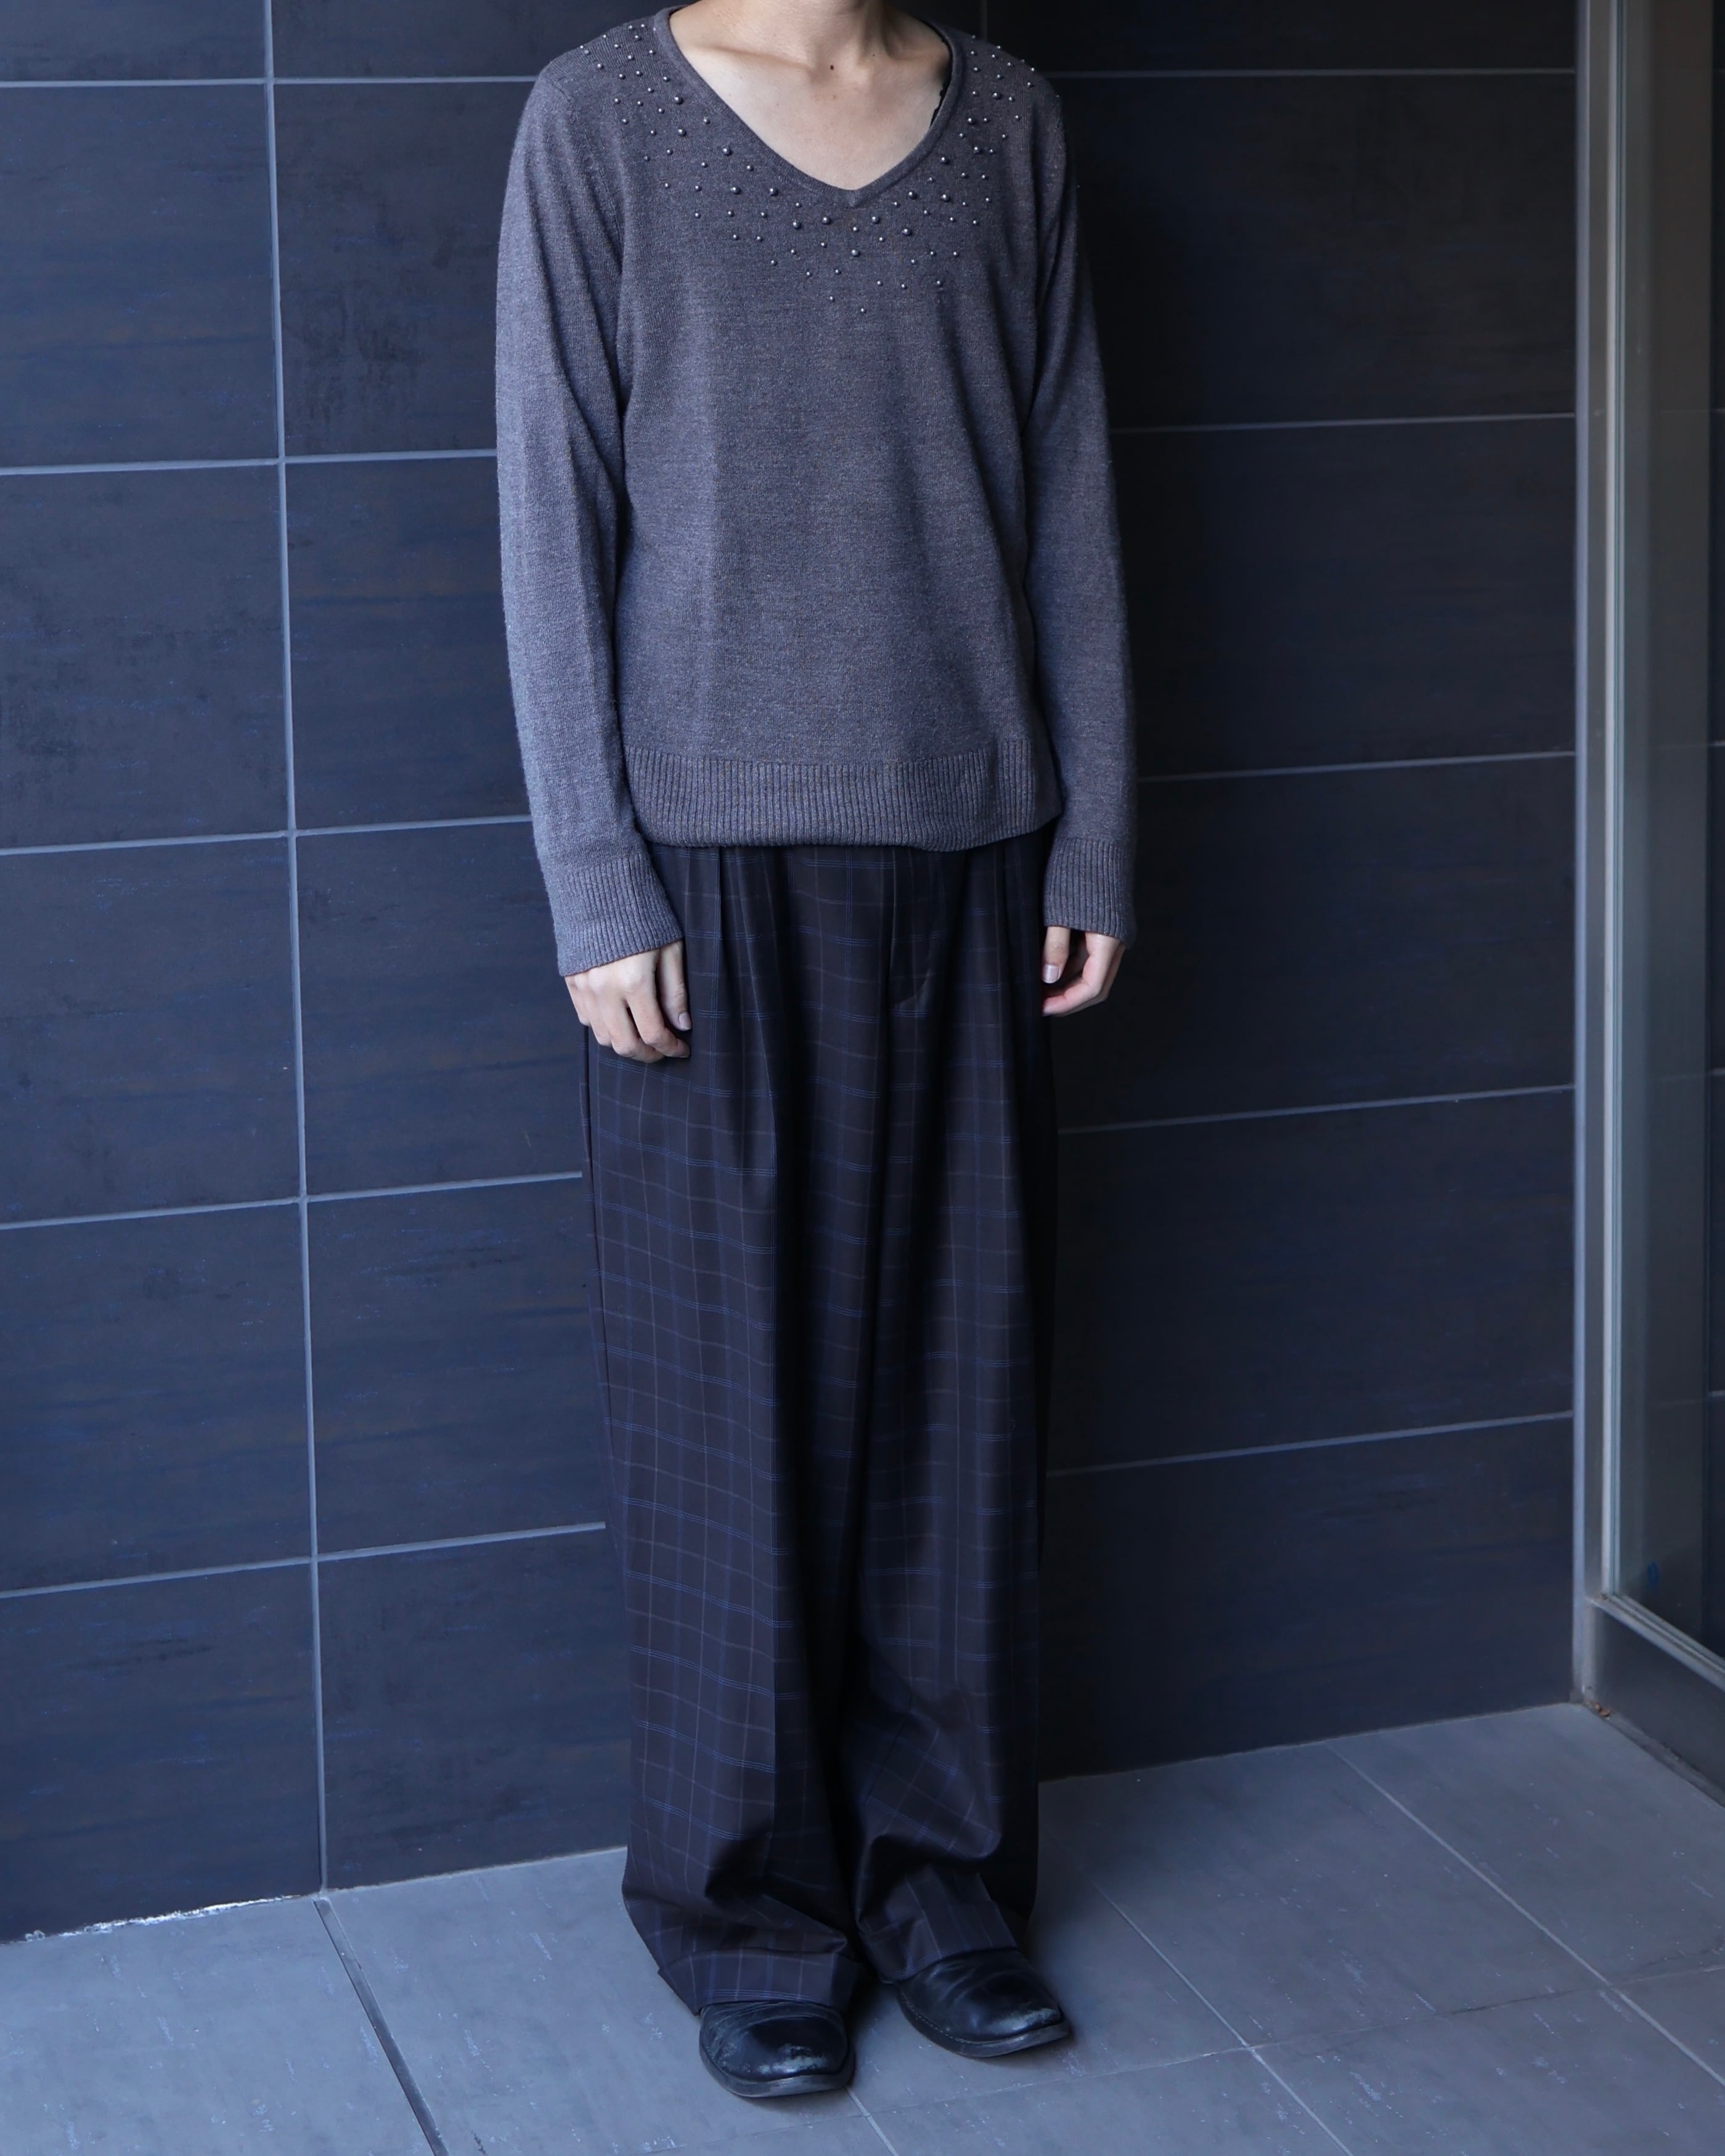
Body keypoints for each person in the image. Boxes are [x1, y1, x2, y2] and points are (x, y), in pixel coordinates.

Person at [495, 0, 1135, 2102]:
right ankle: (753, 1914)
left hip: (977, 840)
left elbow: (1067, 485)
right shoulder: (599, 123)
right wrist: (596, 882)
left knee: (961, 1406)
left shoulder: (1008, 123)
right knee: (728, 1418)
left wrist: (1093, 835)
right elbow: (552, 510)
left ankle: (944, 1886)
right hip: (707, 862)